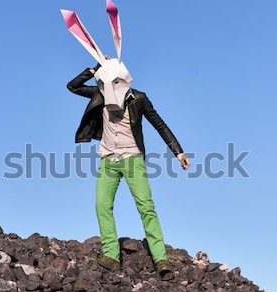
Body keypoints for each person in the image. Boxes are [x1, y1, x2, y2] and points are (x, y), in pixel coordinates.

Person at [66, 59, 190, 276]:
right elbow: (73, 86)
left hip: (132, 159)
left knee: (146, 206)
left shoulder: (139, 99)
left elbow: (159, 124)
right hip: (108, 159)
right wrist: (93, 70)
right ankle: (112, 256)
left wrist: (178, 151)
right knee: (102, 205)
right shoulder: (100, 93)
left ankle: (161, 259)